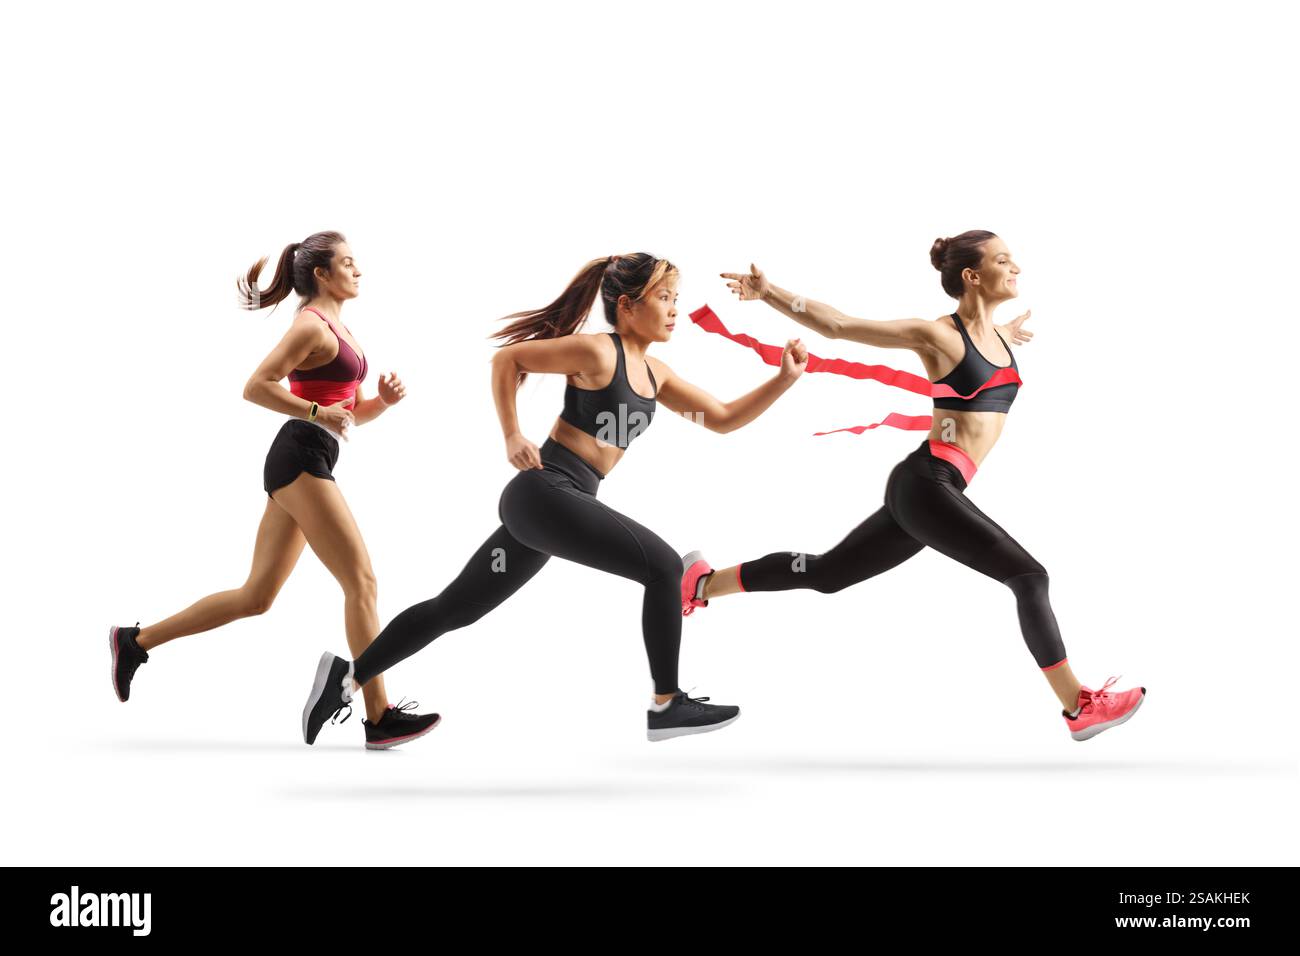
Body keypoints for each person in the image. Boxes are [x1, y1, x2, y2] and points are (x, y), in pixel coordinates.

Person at [301, 252, 809, 744]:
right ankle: (667, 703)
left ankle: (346, 677)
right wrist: (512, 434)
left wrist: (783, 379)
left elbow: (720, 419)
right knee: (662, 567)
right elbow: (508, 360)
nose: (675, 308)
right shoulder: (596, 351)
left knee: (455, 608)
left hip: (551, 508)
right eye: (665, 297)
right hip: (545, 492)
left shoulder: (658, 376)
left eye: (677, 297)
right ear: (628, 306)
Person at [680, 232, 1145, 742]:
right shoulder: (938, 336)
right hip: (927, 483)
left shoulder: (998, 337)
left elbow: (990, 350)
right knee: (1029, 578)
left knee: (828, 573)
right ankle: (1078, 705)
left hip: (931, 489)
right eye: (1004, 260)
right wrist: (770, 293)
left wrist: (1005, 329)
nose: (1017, 267)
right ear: (972, 276)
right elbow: (839, 325)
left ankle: (701, 583)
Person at [109, 230, 440, 750]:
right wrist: (313, 410)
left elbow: (344, 416)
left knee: (256, 597)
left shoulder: (338, 327)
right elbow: (257, 385)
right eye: (348, 264)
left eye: (357, 263)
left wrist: (380, 403)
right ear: (321, 275)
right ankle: (379, 715)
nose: (358, 271)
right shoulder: (312, 326)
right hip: (300, 457)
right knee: (362, 582)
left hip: (310, 454)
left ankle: (134, 641)